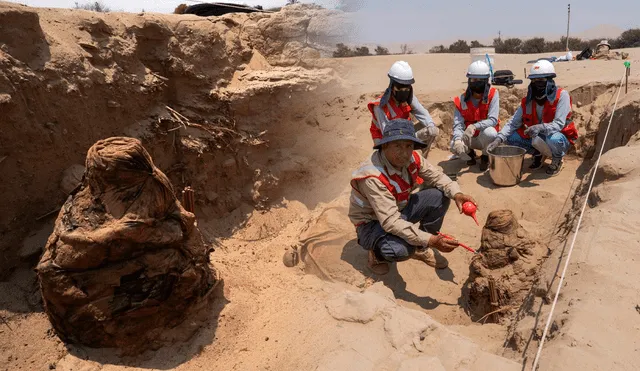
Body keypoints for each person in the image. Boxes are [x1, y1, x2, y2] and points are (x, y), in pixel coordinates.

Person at [348, 118, 478, 274]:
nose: (404, 153)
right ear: (385, 146)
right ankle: (376, 255)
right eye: (397, 146)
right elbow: (390, 221)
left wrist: (457, 194)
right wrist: (431, 240)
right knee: (401, 250)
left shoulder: (413, 158)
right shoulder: (372, 176)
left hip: (399, 208)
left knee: (440, 196)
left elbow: (437, 177)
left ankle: (421, 248)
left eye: (408, 146)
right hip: (372, 222)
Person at [487, 60, 578, 176]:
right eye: (533, 80)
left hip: (558, 137)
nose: (536, 83)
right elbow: (512, 123)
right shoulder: (528, 100)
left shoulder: (561, 96)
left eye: (540, 80)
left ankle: (557, 159)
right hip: (537, 137)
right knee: (510, 136)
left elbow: (559, 124)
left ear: (550, 80)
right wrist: (498, 139)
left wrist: (540, 127)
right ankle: (538, 154)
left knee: (553, 138)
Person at [367, 61, 439, 157]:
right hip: (385, 140)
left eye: (407, 89)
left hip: (405, 132)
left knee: (430, 131)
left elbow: (422, 113)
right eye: (400, 89)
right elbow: (389, 136)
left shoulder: (409, 98)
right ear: (392, 86)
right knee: (391, 153)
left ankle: (419, 163)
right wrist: (417, 137)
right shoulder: (380, 106)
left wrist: (430, 125)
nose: (404, 92)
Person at [451, 61, 500, 171]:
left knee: (491, 132)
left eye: (480, 80)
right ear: (469, 80)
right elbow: (458, 124)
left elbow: (493, 120)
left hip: (484, 138)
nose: (476, 82)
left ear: (486, 80)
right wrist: (458, 139)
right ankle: (469, 154)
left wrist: (474, 126)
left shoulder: (493, 94)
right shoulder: (462, 99)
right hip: (469, 138)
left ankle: (485, 156)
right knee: (453, 144)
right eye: (474, 80)